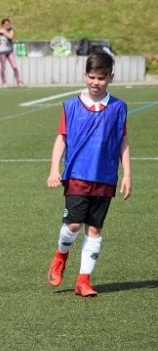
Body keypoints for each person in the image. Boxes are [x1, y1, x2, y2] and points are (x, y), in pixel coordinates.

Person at [46, 50, 131, 297]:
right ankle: (61, 255)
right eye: (92, 77)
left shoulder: (118, 108)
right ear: (85, 75)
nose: (96, 82)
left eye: (101, 78)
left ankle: (83, 281)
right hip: (77, 175)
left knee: (95, 228)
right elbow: (61, 138)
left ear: (111, 77)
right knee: (74, 223)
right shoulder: (71, 106)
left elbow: (123, 141)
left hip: (105, 177)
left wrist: (127, 174)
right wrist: (54, 169)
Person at [0, 18, 24, 88]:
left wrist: (4, 32)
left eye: (9, 24)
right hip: (2, 51)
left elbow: (10, 37)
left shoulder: (11, 30)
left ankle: (19, 81)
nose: (8, 25)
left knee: (14, 66)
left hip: (10, 51)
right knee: (3, 67)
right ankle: (4, 82)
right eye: (6, 24)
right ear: (3, 25)